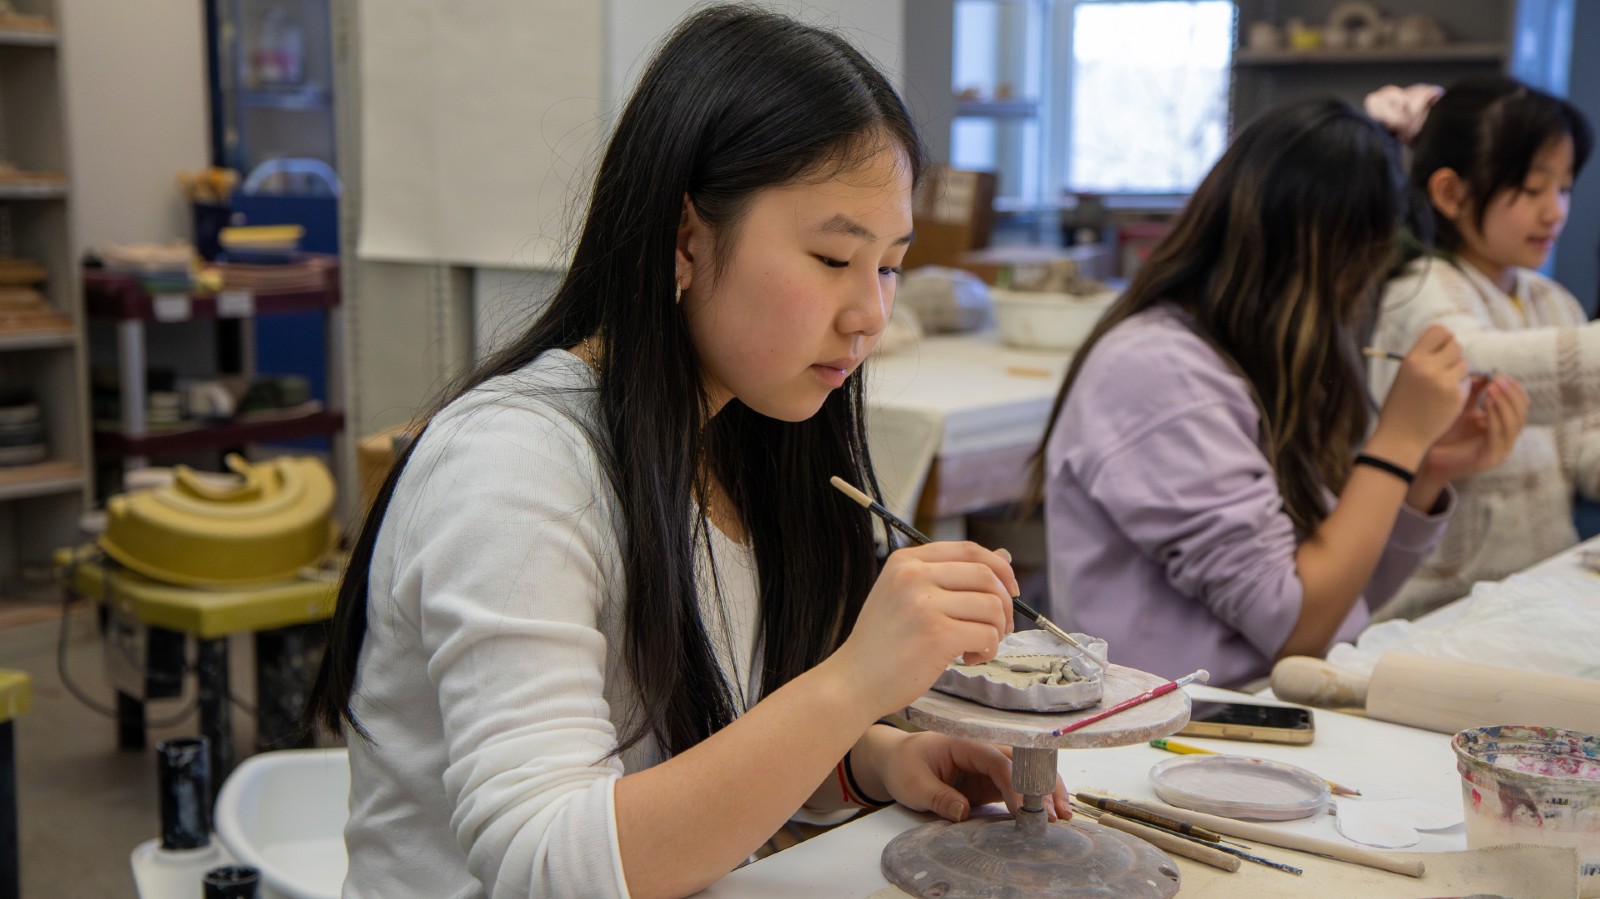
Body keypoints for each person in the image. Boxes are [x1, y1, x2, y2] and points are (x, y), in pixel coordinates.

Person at [304, 7, 1069, 899]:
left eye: (890, 265)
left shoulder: (740, 432)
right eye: (832, 257)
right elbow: (547, 864)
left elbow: (697, 749)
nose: (870, 312)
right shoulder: (512, 467)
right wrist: (853, 683)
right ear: (685, 238)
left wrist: (876, 759)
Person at [1030, 98, 1529, 689]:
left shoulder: (1262, 355)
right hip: (1167, 736)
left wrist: (1421, 474)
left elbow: (1343, 598)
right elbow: (1297, 624)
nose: (1359, 296)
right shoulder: (1157, 371)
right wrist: (1396, 443)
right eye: (1362, 267)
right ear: (1321, 258)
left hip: (1254, 711)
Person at [1367, 74, 1596, 620]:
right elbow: (1481, 365)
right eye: (1533, 188)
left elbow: (1582, 448)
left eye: (1563, 187)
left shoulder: (1553, 301)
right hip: (1437, 608)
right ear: (1450, 193)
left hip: (1537, 595)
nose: (1555, 211)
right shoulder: (1418, 290)